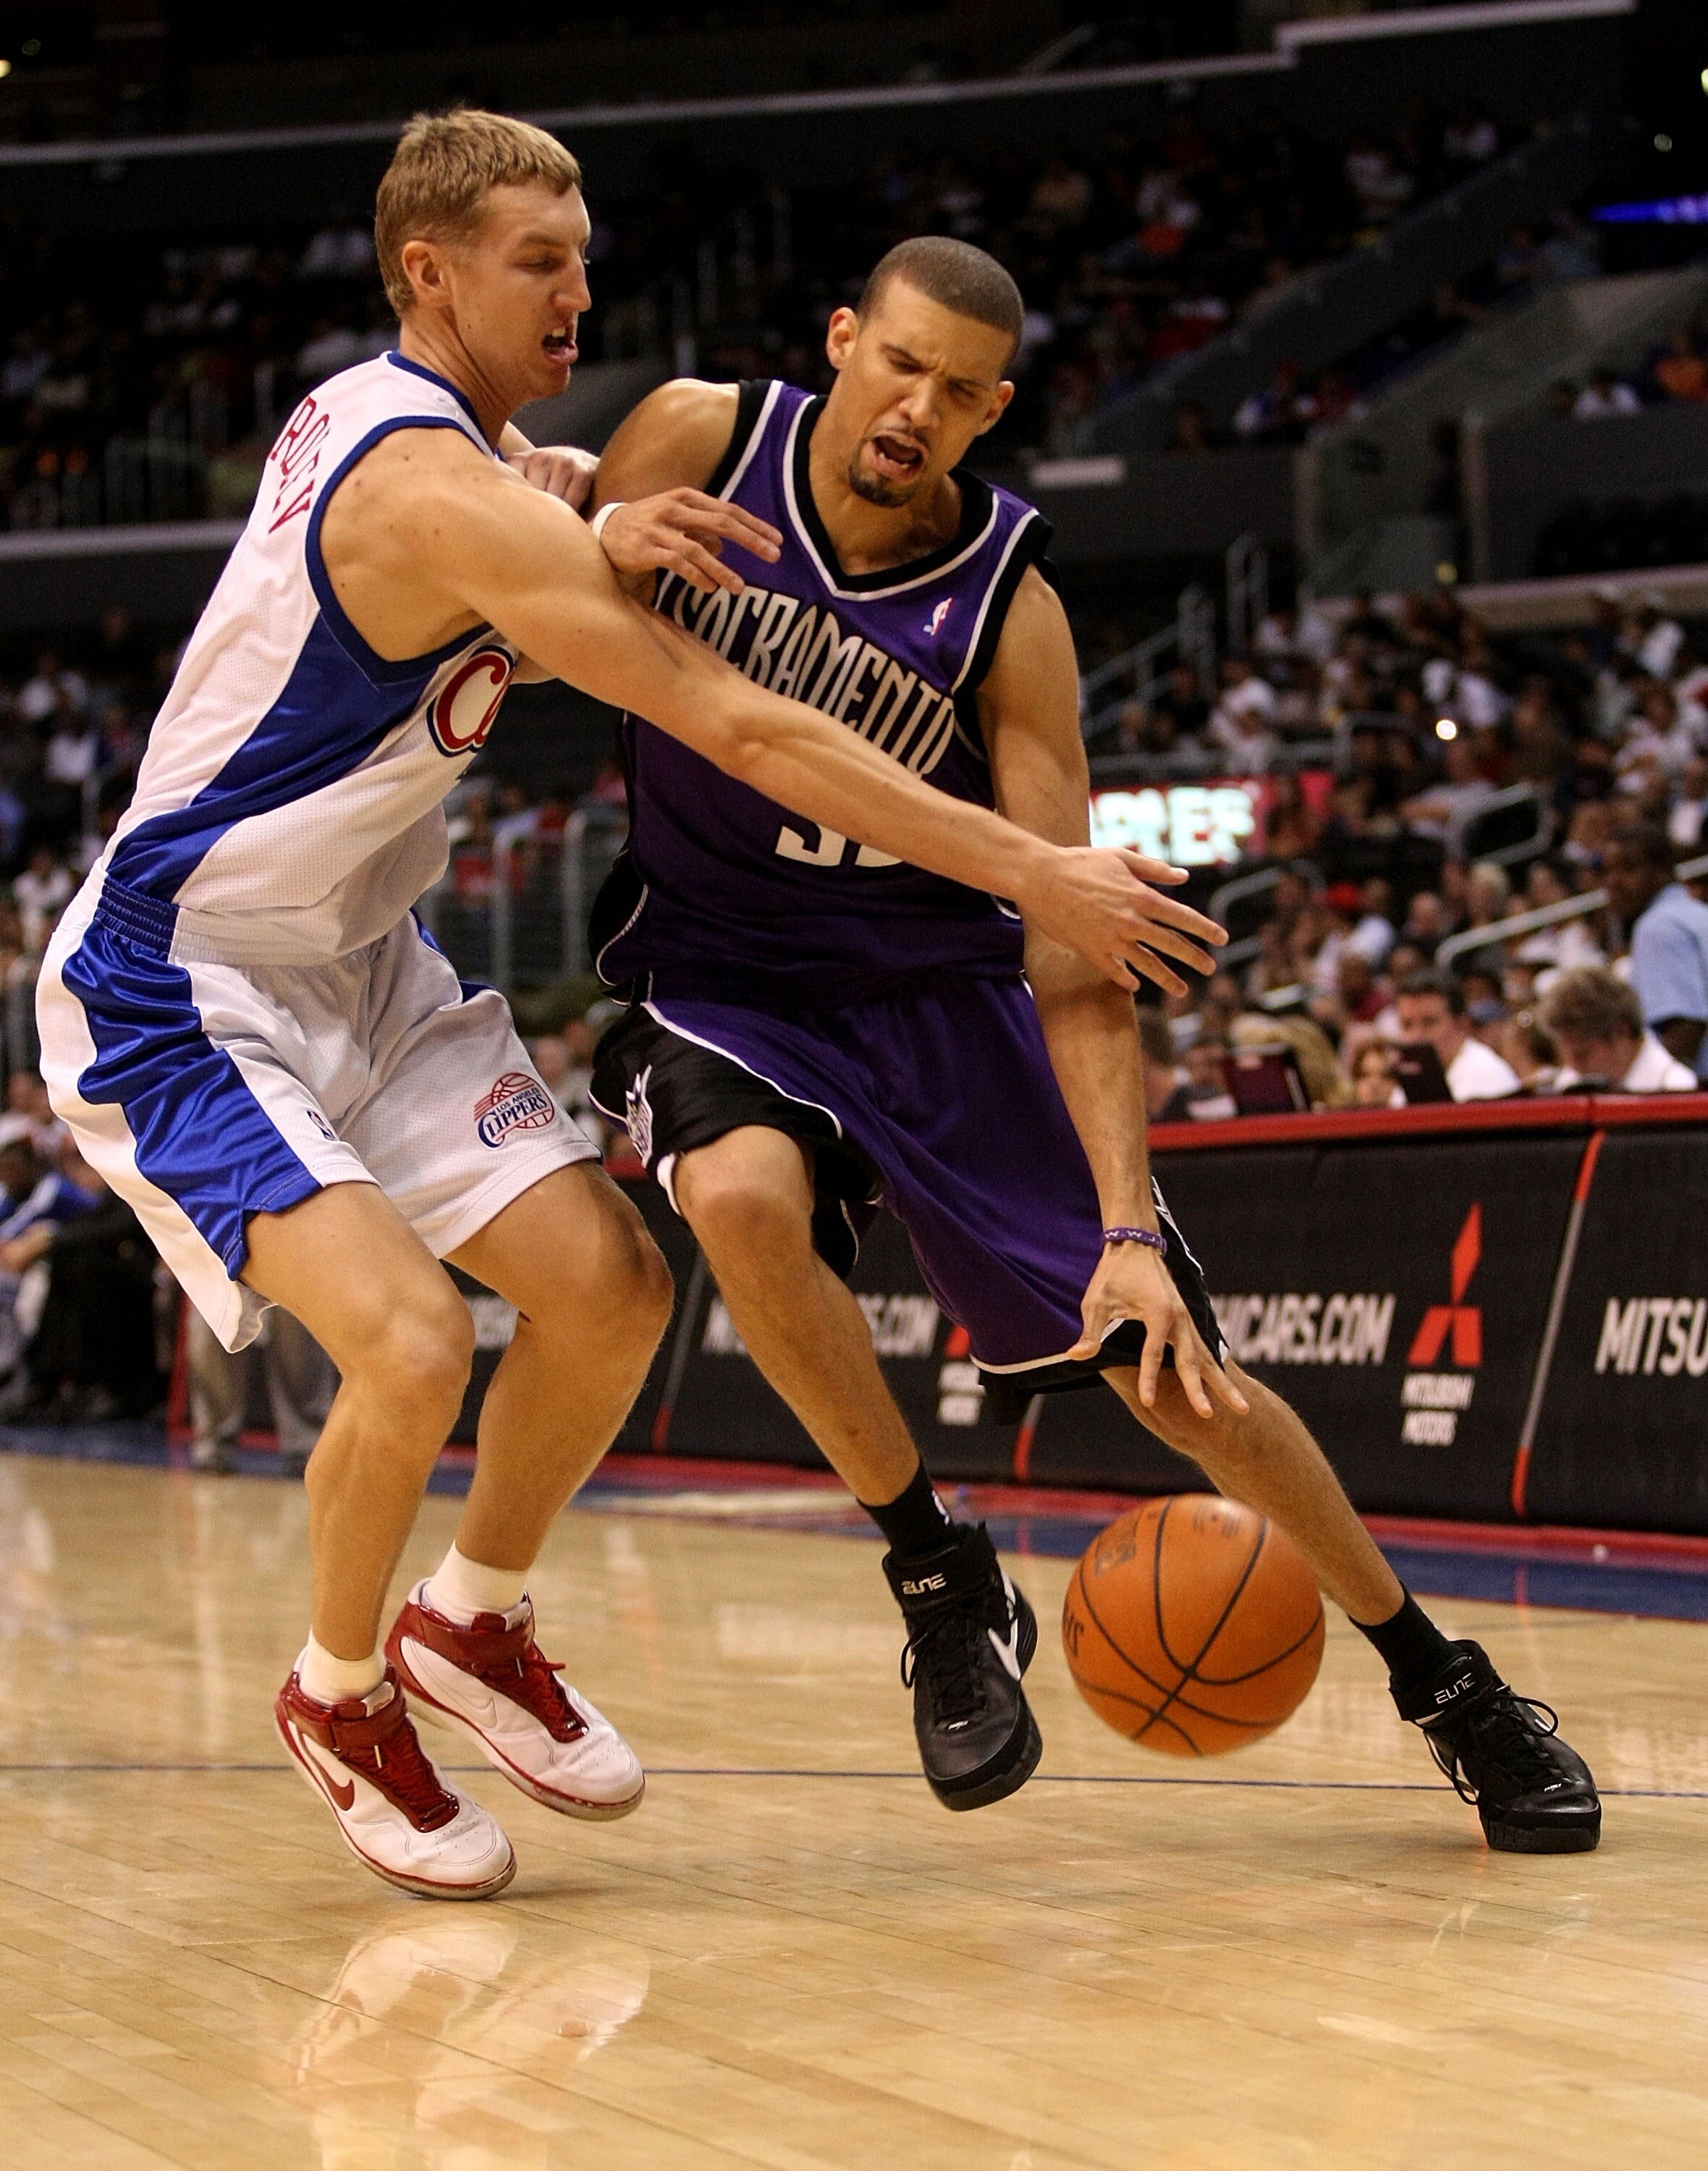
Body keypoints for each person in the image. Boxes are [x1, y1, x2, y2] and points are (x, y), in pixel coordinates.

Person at [34, 113, 1215, 1903]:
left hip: (364, 963)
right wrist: (1029, 869)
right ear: (426, 272)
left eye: (584, 257)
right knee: (417, 1342)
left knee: (610, 1287)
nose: (580, 290)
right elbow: (738, 722)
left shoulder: (476, 447)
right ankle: (342, 1689)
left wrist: (588, 497)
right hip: (181, 986)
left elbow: (535, 493)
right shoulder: (435, 485)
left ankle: (472, 1619)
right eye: (536, 261)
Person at [587, 234, 1599, 1850]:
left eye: (959, 387)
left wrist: (1127, 1228)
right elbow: (522, 580)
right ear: (839, 339)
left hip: (941, 994)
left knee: (1180, 1384)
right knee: (737, 1201)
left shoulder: (1011, 608)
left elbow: (1072, 935)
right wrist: (585, 518)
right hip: (720, 970)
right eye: (896, 361)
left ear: (994, 407)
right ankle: (935, 1574)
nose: (917, 404)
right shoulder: (697, 439)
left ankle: (1445, 1684)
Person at [1602, 823, 1708, 1082]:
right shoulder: (1695, 913)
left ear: (1662, 871)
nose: (1612, 881)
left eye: (1628, 868)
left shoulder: (1658, 927)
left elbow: (1683, 1031)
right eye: (1607, 870)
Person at [1539, 967, 1697, 1092]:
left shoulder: (1677, 1087)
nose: (1574, 1067)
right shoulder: (1569, 1081)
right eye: (1565, 1056)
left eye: (1583, 1054)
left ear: (1621, 1033)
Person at [1392, 969, 1521, 1101]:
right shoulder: (1414, 1074)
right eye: (1407, 1025)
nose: (1417, 1037)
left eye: (1429, 1023)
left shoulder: (1486, 1073)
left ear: (1462, 1025)